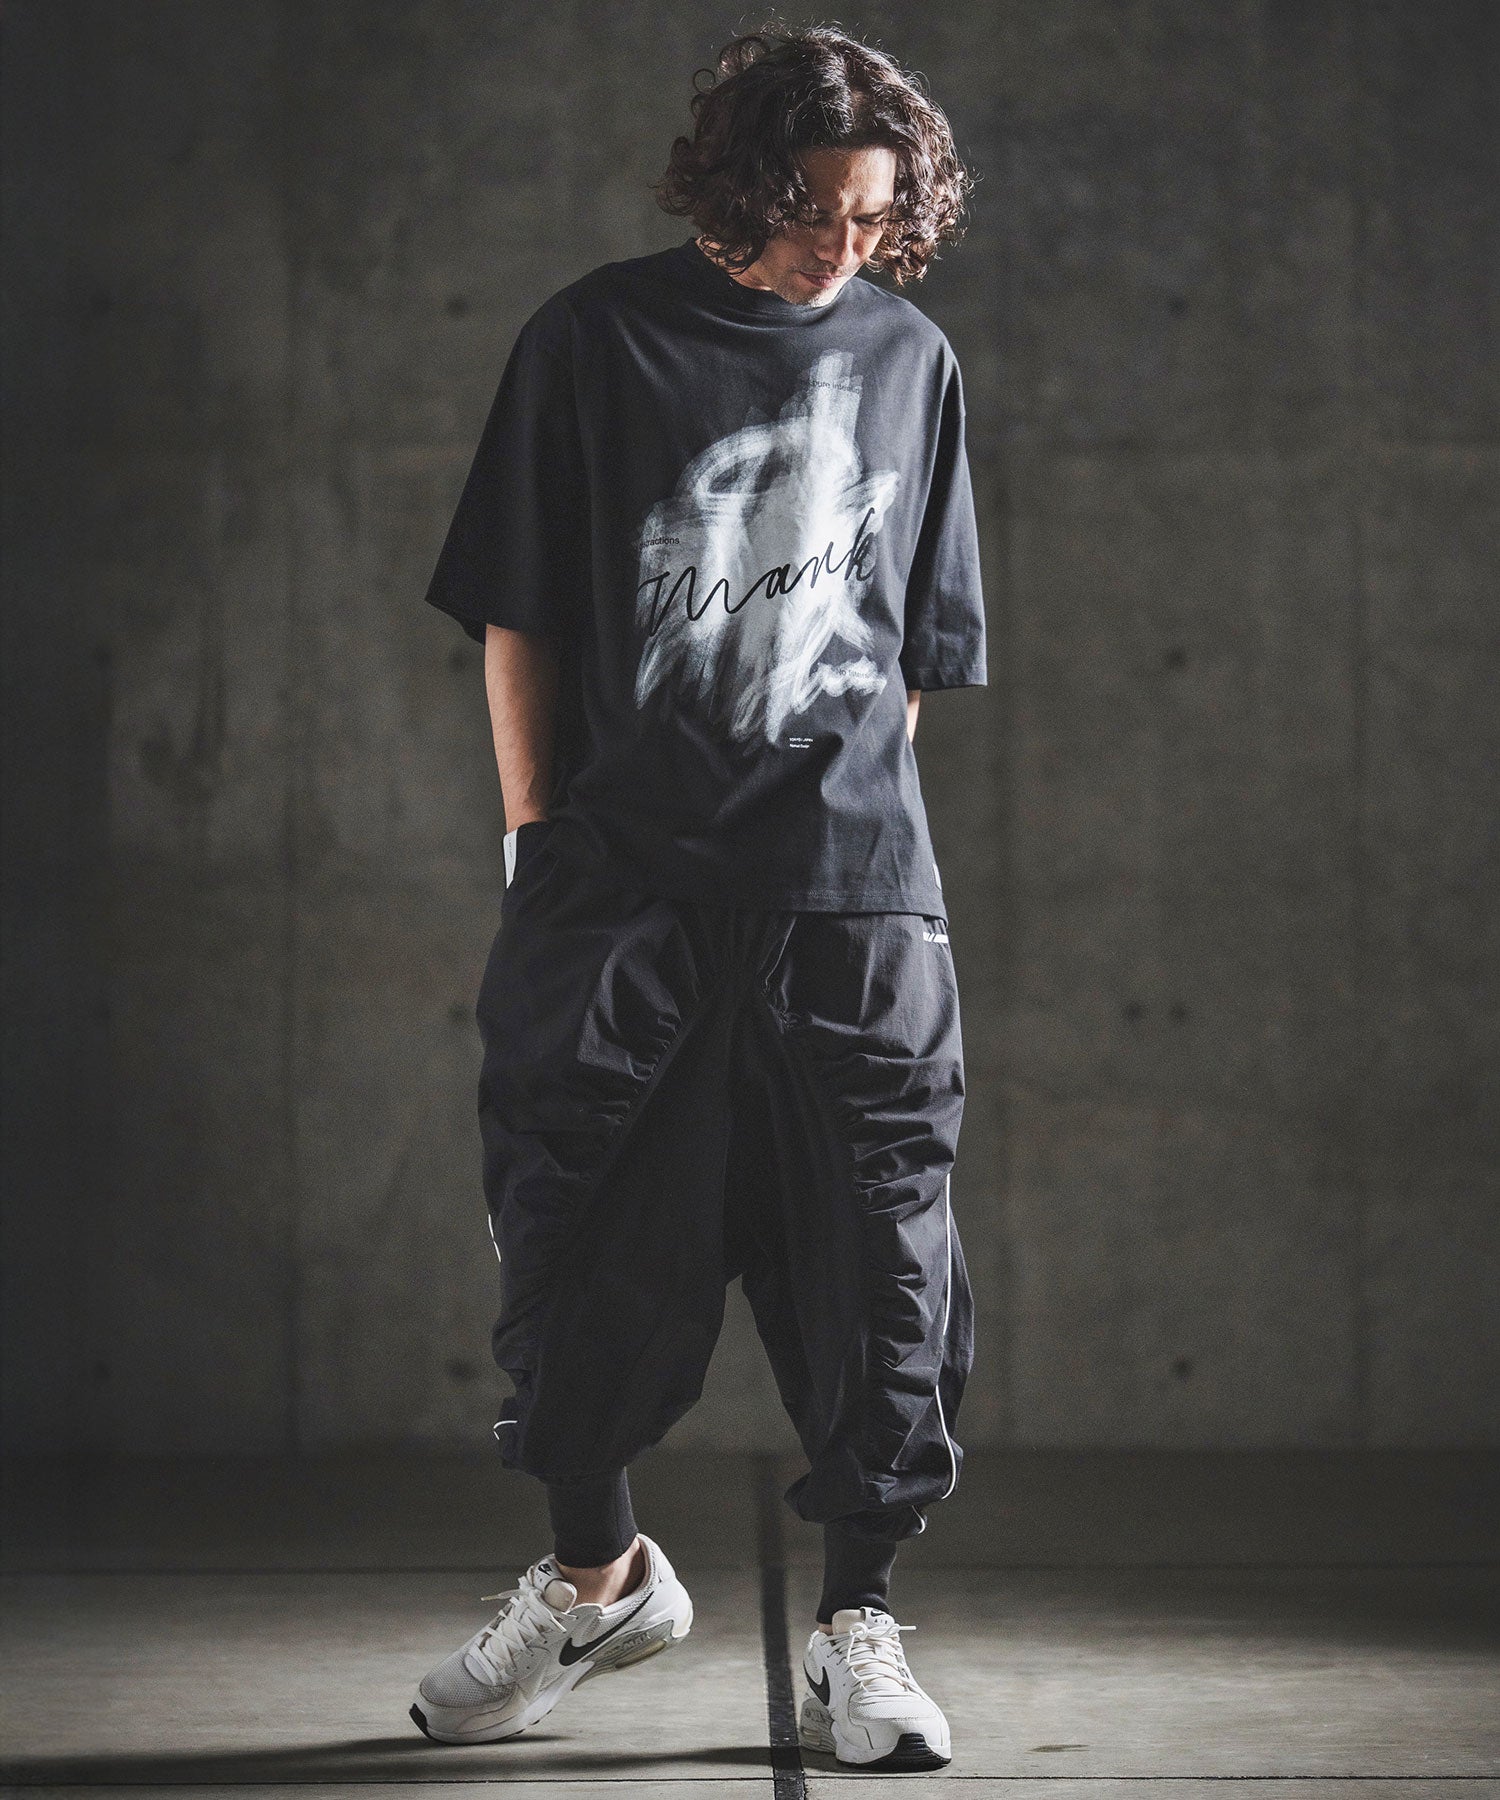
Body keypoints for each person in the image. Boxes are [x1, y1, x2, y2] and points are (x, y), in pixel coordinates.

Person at [410, 22, 986, 1774]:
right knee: (576, 1241)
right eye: (814, 210)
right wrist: (540, 838)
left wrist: (848, 833)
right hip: (623, 893)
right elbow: (520, 610)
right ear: (737, 186)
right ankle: (596, 1580)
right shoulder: (595, 340)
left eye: (875, 218)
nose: (843, 248)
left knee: (881, 1265)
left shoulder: (910, 358)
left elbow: (908, 648)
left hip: (850, 903)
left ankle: (858, 1629)